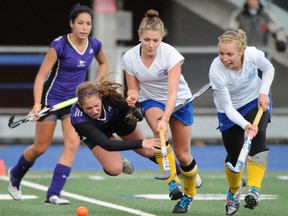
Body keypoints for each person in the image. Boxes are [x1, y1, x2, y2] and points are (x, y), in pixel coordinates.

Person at [8, 4, 110, 205]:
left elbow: (103, 63)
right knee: (40, 147)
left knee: (72, 144)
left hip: (74, 103)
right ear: (71, 24)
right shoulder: (59, 46)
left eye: (88, 23)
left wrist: (97, 84)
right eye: (80, 23)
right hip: (51, 101)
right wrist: (37, 104)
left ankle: (53, 194)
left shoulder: (95, 45)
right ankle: (16, 175)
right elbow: (41, 76)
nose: (84, 27)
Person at [122, 9, 201, 214]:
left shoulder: (170, 54)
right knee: (159, 134)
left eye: (155, 40)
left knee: (184, 156)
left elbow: (173, 92)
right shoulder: (129, 58)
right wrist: (132, 96)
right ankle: (173, 182)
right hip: (151, 100)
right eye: (147, 39)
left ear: (161, 38)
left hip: (179, 101)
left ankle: (188, 196)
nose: (151, 45)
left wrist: (166, 118)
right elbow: (133, 88)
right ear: (139, 36)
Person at [209, 29, 274, 215]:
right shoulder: (216, 70)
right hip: (229, 110)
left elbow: (269, 69)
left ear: (241, 51)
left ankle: (254, 188)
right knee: (234, 155)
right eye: (221, 53)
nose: (224, 58)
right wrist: (245, 124)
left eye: (229, 54)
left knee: (259, 133)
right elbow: (228, 109)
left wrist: (263, 91)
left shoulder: (253, 54)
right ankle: (234, 190)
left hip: (255, 100)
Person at [71, 80, 161, 177]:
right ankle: (120, 160)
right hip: (98, 133)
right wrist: (142, 143)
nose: (94, 111)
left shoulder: (109, 95)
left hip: (117, 122)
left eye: (96, 106)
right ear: (80, 105)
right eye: (89, 108)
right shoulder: (78, 119)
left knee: (148, 152)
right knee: (114, 169)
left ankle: (177, 171)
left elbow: (127, 109)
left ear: (100, 97)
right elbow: (108, 145)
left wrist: (133, 110)